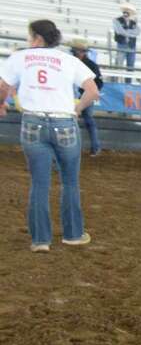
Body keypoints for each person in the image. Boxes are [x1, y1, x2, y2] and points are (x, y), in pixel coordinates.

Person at [0, 19, 99, 251]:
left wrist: (1, 104)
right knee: (70, 181)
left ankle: (40, 240)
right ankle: (73, 234)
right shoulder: (69, 60)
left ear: (37, 38)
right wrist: (77, 109)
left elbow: (2, 86)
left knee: (39, 183)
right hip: (64, 121)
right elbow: (93, 91)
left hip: (33, 122)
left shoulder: (20, 57)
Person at [68, 38, 103, 156]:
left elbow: (99, 83)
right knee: (85, 121)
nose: (80, 52)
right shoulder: (70, 62)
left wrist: (90, 93)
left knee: (87, 121)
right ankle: (93, 147)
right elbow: (99, 82)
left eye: (81, 51)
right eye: (78, 50)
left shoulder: (90, 65)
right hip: (73, 96)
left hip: (82, 95)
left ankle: (95, 147)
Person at [112, 3, 139, 75]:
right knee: (118, 65)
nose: (126, 12)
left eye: (128, 10)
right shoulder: (117, 20)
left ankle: (128, 81)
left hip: (131, 46)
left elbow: (137, 32)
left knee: (131, 66)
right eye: (125, 10)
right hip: (121, 45)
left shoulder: (133, 22)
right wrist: (131, 32)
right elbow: (119, 31)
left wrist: (126, 31)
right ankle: (115, 80)